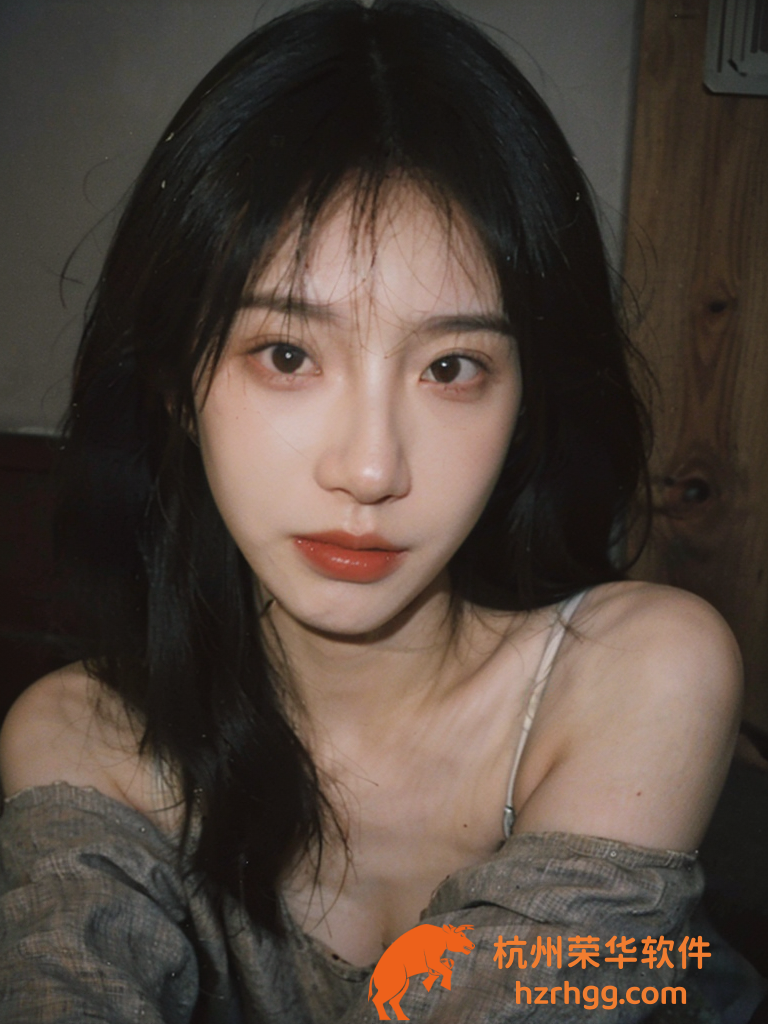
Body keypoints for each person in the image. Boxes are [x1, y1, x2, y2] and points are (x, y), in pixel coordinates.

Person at [0, 1, 743, 1021]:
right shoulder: (82, 743)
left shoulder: (635, 675)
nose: (369, 469)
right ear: (175, 382)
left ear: (526, 400)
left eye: (451, 367)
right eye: (287, 354)